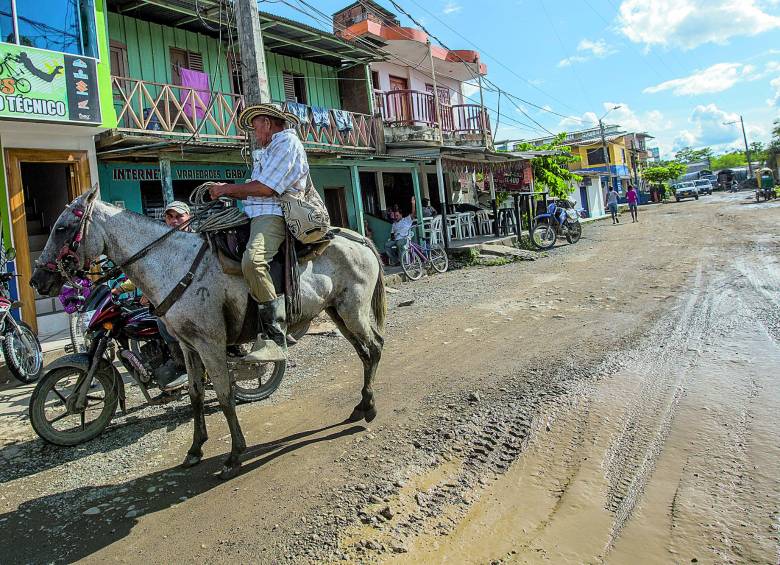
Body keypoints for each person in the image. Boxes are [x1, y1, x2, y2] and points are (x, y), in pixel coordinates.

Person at [209, 103, 305, 364]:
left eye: (255, 128)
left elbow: (265, 189)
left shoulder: (286, 144)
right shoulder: (269, 150)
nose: (255, 134)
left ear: (266, 122)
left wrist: (227, 189)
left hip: (273, 214)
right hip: (254, 214)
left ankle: (276, 337)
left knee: (253, 260)